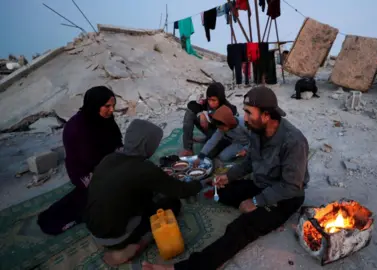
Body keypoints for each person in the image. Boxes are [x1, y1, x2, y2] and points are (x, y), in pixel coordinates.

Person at [142, 86, 310, 270]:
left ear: (267, 115)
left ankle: (186, 268)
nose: (244, 118)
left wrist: (256, 201)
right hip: (262, 182)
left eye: (248, 113)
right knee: (223, 193)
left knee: (239, 229)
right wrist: (228, 176)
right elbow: (249, 162)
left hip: (285, 195)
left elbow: (292, 186)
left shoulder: (294, 142)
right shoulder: (256, 130)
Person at [84, 119, 205, 266]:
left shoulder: (109, 159)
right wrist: (199, 183)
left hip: (94, 231)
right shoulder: (144, 169)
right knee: (172, 203)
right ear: (146, 144)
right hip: (118, 237)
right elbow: (181, 190)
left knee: (143, 195)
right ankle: (139, 244)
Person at [37, 86, 122, 235]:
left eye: (113, 106)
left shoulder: (103, 118)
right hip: (84, 171)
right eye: (107, 106)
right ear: (95, 104)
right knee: (105, 195)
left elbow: (115, 140)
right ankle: (57, 218)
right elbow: (88, 160)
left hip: (105, 161)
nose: (111, 110)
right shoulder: (78, 128)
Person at [181, 82, 237, 156]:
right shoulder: (207, 102)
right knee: (190, 113)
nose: (211, 103)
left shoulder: (227, 108)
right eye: (209, 99)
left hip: (221, 135)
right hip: (211, 129)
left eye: (214, 100)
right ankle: (188, 149)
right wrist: (201, 114)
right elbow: (191, 105)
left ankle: (207, 140)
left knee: (210, 155)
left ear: (220, 99)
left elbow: (234, 116)